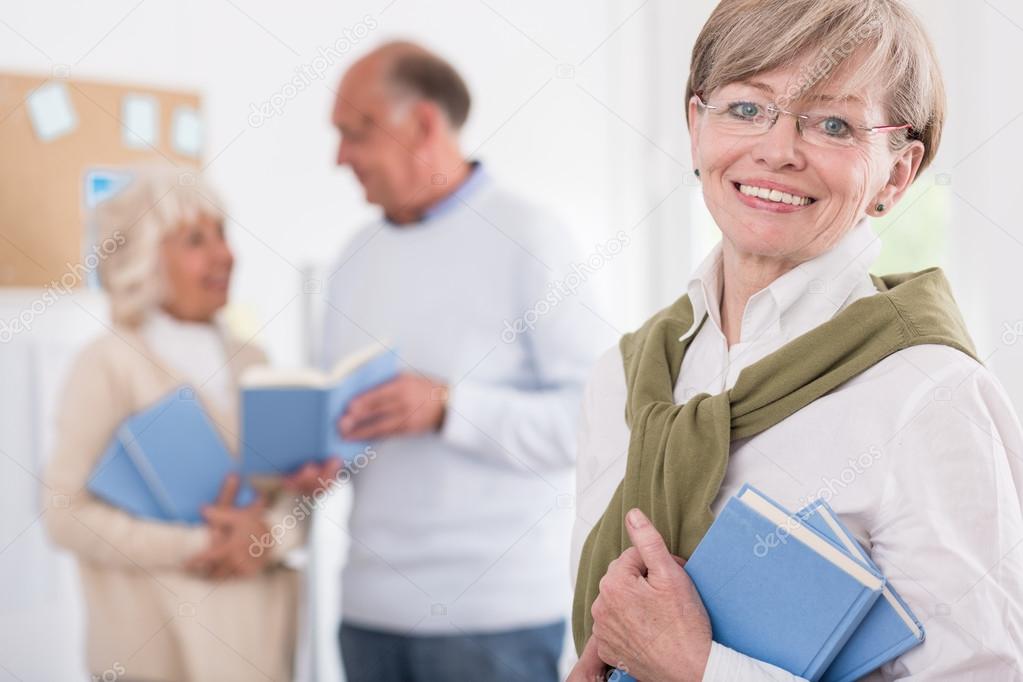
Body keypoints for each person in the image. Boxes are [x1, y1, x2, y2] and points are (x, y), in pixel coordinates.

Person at [568, 0, 1023, 680]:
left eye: (834, 124)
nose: (777, 151)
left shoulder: (929, 397)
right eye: (746, 109)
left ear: (895, 175)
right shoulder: (627, 376)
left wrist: (697, 668)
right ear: (695, 127)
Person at [317, 41, 607, 681]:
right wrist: (311, 456)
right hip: (368, 613)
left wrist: (451, 406)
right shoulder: (351, 261)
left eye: (354, 133)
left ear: (422, 124)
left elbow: (593, 423)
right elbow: (335, 420)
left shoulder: (530, 238)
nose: (339, 158)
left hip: (491, 620)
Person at [43, 170, 310, 681]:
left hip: (255, 651)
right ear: (145, 257)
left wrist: (265, 538)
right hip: (154, 658)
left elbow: (292, 499)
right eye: (196, 240)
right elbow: (63, 513)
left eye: (223, 235)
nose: (225, 255)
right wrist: (198, 546)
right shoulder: (106, 365)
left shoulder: (255, 362)